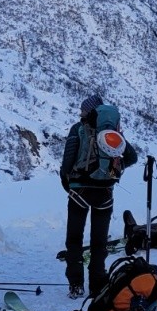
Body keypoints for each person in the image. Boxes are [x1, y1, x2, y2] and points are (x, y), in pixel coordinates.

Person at [60, 94, 134, 299]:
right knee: (99, 241)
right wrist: (115, 168)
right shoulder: (113, 133)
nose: (81, 113)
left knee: (74, 239)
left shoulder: (78, 129)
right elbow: (132, 156)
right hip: (105, 192)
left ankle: (76, 284)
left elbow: (67, 161)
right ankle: (97, 284)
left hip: (79, 191)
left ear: (89, 111)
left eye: (83, 110)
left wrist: (68, 181)